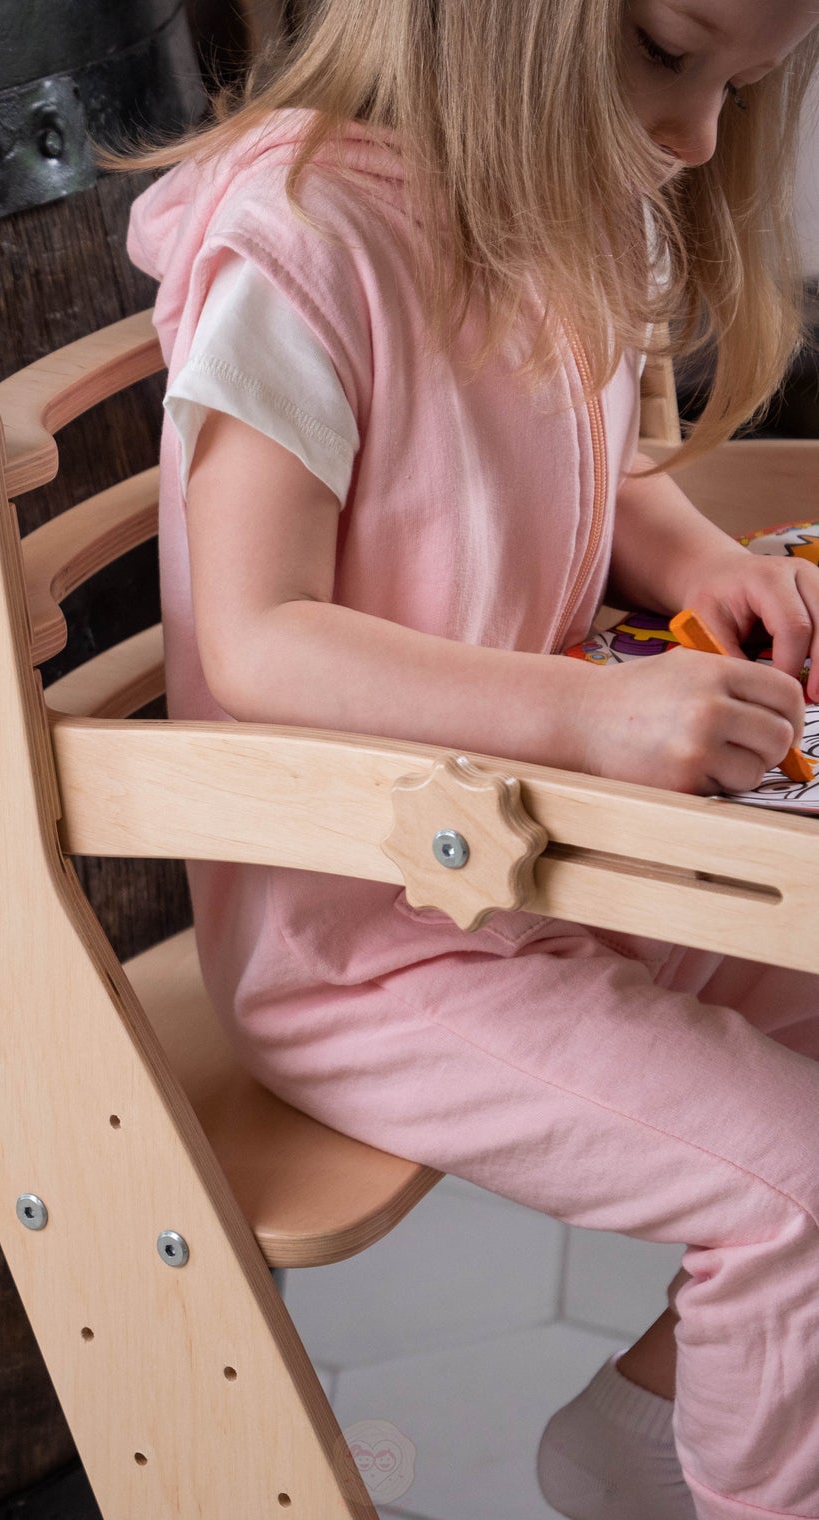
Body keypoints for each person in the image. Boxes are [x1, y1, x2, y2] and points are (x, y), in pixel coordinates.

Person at [117, 2, 819, 1516]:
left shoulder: (573, 187)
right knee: (796, 1191)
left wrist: (698, 561)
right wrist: (593, 718)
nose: (699, 138)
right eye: (664, 53)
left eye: (744, 88)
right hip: (372, 942)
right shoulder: (302, 246)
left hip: (553, 861)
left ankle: (639, 1450)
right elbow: (256, 635)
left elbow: (599, 466)